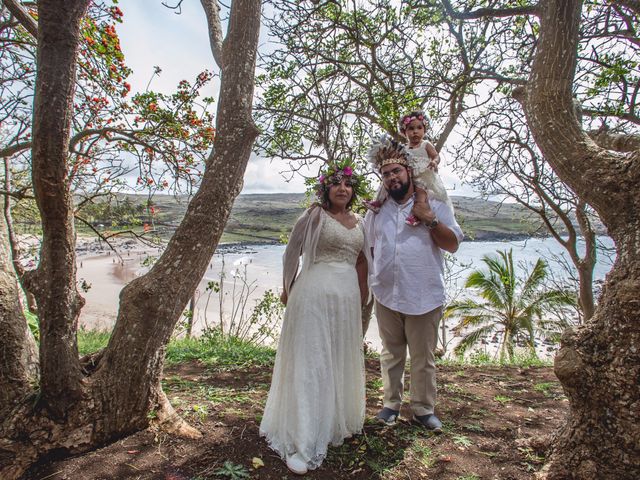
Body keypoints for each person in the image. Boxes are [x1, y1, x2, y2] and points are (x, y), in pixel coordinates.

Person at [260, 161, 370, 475]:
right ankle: (301, 439)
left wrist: (361, 297)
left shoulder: (360, 221)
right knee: (311, 362)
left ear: (353, 191)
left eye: (347, 184)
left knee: (337, 358)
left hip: (346, 300)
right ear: (326, 188)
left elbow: (361, 260)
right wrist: (287, 288)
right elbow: (291, 252)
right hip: (313, 296)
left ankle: (334, 422)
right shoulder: (313, 216)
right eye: (336, 183)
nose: (342, 189)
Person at [364, 136, 463, 432]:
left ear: (408, 171)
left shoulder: (433, 202)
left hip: (423, 294)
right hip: (386, 294)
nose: (392, 177)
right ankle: (390, 405)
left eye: (397, 171)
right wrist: (373, 280)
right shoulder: (377, 210)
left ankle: (422, 409)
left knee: (423, 357)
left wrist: (430, 220)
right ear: (382, 178)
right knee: (391, 353)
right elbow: (369, 246)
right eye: (386, 173)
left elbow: (453, 244)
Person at [365, 111, 451, 226]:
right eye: (411, 128)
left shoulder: (425, 144)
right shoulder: (404, 148)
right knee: (385, 186)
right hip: (407, 175)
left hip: (421, 174)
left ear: (424, 130)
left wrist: (434, 162)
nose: (415, 131)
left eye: (419, 128)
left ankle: (416, 215)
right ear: (404, 132)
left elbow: (436, 155)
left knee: (421, 194)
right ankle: (378, 202)